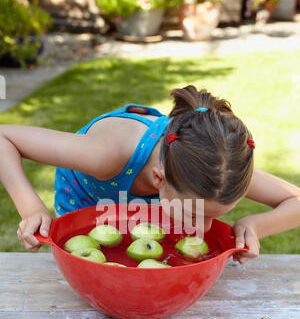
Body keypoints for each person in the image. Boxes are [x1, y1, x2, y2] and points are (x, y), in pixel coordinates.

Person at [0, 85, 299, 265]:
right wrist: (31, 207)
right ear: (159, 180)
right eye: (194, 212)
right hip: (90, 196)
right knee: (99, 261)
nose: (205, 227)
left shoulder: (218, 171)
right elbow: (4, 138)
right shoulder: (104, 155)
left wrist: (256, 224)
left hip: (146, 194)